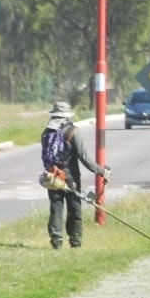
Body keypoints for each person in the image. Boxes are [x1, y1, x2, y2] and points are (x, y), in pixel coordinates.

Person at [42, 101, 111, 250]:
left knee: (56, 208)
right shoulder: (73, 132)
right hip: (70, 178)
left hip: (51, 177)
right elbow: (84, 157)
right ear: (67, 116)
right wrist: (102, 171)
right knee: (74, 209)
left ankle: (56, 241)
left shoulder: (46, 133)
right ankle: (75, 241)